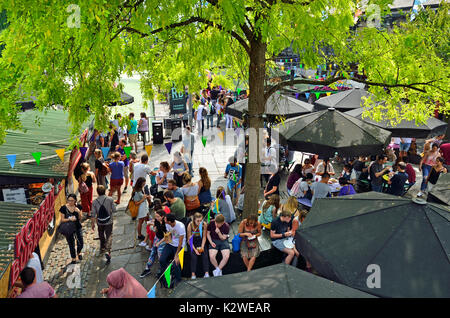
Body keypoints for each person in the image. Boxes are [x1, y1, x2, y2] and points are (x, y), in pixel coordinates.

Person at [157, 214, 186, 287]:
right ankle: (166, 274)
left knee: (176, 263)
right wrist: (162, 241)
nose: (164, 220)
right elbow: (168, 234)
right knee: (162, 260)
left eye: (166, 220)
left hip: (179, 245)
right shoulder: (167, 225)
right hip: (170, 244)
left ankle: (178, 280)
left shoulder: (180, 227)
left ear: (170, 221)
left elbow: (180, 242)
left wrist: (176, 255)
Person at [91, 185, 116, 264]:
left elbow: (93, 214)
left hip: (100, 221)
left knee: (101, 234)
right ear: (105, 191)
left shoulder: (94, 202)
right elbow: (114, 210)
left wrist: (92, 224)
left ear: (97, 192)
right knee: (109, 235)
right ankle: (108, 251)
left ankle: (102, 247)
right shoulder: (110, 199)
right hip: (109, 221)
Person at [140, 210, 167, 278]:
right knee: (153, 253)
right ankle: (147, 268)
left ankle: (162, 271)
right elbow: (155, 229)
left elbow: (167, 236)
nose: (156, 218)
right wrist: (151, 227)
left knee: (160, 256)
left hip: (163, 240)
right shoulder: (157, 221)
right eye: (156, 216)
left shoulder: (166, 223)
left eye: (158, 216)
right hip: (157, 238)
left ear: (162, 217)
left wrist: (159, 243)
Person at [59, 194, 84, 264]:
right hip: (68, 228)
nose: (70, 202)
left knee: (81, 242)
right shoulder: (63, 208)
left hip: (77, 226)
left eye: (72, 200)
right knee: (71, 243)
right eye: (69, 200)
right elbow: (62, 220)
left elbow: (80, 218)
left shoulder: (78, 206)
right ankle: (73, 258)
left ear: (75, 200)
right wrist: (69, 219)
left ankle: (79, 252)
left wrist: (78, 212)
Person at [187, 213, 209, 279]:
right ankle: (193, 274)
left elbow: (204, 237)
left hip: (200, 240)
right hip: (192, 242)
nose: (199, 222)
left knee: (205, 254)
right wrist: (195, 250)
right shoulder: (190, 225)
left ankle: (206, 273)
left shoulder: (204, 224)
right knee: (193, 256)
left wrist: (202, 247)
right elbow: (189, 240)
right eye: (198, 221)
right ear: (194, 220)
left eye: (200, 220)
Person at [132, 177, 151, 241]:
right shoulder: (136, 191)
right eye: (143, 183)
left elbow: (143, 196)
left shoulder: (141, 188)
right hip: (141, 208)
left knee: (147, 219)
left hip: (145, 206)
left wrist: (147, 197)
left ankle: (149, 231)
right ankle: (139, 235)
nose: (144, 184)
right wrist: (143, 199)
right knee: (141, 221)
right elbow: (136, 203)